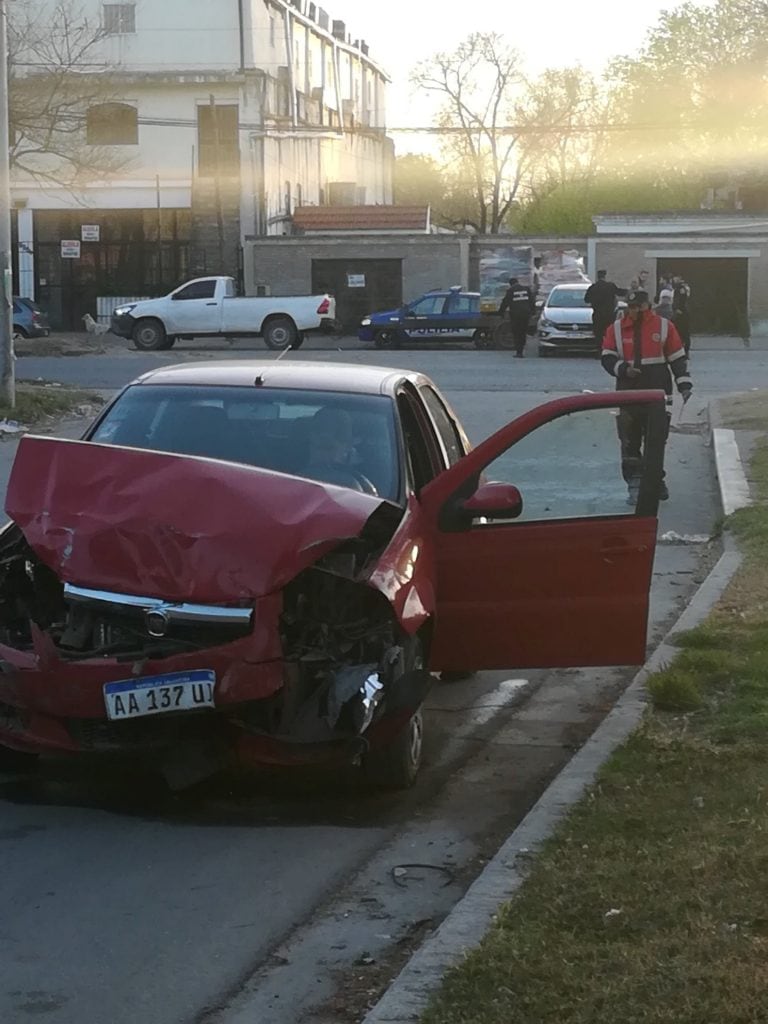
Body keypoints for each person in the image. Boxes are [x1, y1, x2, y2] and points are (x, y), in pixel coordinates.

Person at [601, 290, 693, 504]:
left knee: (656, 441)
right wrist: (623, 369)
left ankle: (655, 481)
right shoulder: (615, 329)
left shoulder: (664, 326)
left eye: (638, 307)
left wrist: (684, 385)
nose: (634, 311)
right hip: (628, 393)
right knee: (629, 441)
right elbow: (607, 357)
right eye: (631, 307)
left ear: (648, 305)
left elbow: (677, 358)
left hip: (658, 393)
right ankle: (634, 482)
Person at [585, 270, 621, 355]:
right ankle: (609, 350)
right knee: (608, 333)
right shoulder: (610, 286)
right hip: (609, 315)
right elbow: (620, 292)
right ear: (605, 276)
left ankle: (599, 351)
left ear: (597, 277)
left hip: (597, 314)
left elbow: (586, 299)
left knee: (598, 334)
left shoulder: (593, 287)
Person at [498, 276, 535, 357]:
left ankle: (519, 352)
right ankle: (522, 349)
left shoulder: (511, 291)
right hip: (525, 314)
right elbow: (532, 301)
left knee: (517, 333)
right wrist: (533, 312)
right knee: (523, 332)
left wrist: (501, 313)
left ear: (510, 284)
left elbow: (505, 302)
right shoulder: (526, 289)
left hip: (516, 315)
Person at [672, 275, 692, 357]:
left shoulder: (680, 288)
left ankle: (683, 351)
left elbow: (680, 299)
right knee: (684, 332)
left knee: (681, 331)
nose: (674, 280)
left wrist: (677, 308)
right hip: (684, 311)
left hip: (681, 312)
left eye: (675, 278)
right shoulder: (685, 287)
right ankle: (684, 350)